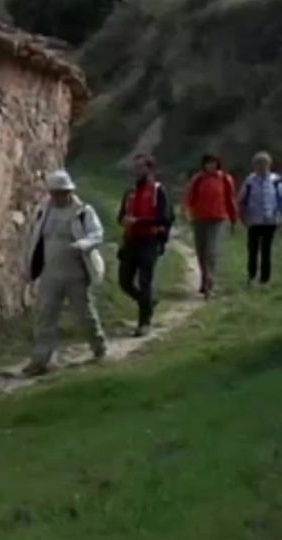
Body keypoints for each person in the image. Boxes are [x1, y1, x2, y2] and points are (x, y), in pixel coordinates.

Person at [21, 169, 108, 377]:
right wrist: (31, 266)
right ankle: (41, 359)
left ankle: (98, 346)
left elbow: (97, 234)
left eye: (63, 192)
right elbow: (36, 239)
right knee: (45, 316)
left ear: (69, 191)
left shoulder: (83, 212)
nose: (59, 196)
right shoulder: (44, 211)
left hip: (76, 273)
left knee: (84, 314)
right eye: (55, 193)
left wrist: (83, 244)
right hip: (51, 273)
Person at [117, 155, 175, 337]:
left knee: (145, 281)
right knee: (124, 282)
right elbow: (120, 216)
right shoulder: (130, 192)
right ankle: (147, 303)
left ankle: (144, 323)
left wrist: (139, 222)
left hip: (149, 242)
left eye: (140, 168)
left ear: (150, 170)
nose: (136, 171)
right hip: (130, 241)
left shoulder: (159, 191)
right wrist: (124, 221)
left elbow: (164, 218)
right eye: (135, 168)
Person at [183, 153, 239, 299]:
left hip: (218, 219)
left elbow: (230, 199)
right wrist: (187, 212)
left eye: (214, 163)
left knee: (211, 251)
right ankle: (204, 278)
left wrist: (234, 218)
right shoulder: (198, 179)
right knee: (201, 251)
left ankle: (209, 284)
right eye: (208, 163)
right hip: (199, 219)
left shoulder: (225, 179)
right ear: (204, 165)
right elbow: (189, 198)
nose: (211, 166)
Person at [237, 151, 282, 286]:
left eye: (264, 164)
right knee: (253, 249)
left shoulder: (275, 181)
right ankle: (252, 277)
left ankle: (265, 279)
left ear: (269, 165)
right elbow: (241, 199)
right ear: (254, 166)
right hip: (253, 220)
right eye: (258, 164)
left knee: (266, 250)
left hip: (270, 220)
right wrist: (241, 216)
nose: (261, 166)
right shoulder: (249, 181)